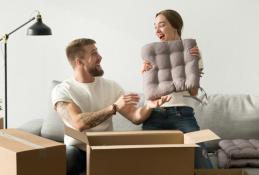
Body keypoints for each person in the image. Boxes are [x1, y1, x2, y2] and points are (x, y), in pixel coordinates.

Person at [51, 38, 171, 175]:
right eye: (94, 53)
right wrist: (113, 107)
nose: (100, 57)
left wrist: (149, 106)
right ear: (79, 62)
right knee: (67, 157)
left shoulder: (111, 86)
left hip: (104, 149)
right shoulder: (62, 90)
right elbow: (78, 123)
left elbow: (135, 117)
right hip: (77, 150)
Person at [141, 9, 213, 168]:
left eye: (162, 25)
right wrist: (145, 72)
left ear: (175, 26)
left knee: (202, 159)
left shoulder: (193, 52)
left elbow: (193, 92)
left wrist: (193, 63)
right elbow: (151, 94)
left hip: (183, 114)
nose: (157, 30)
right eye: (155, 27)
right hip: (155, 114)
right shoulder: (152, 55)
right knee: (145, 162)